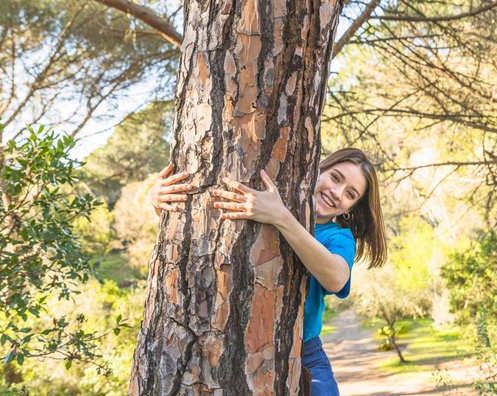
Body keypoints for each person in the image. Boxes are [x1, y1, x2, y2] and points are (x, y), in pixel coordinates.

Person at [148, 148, 387, 395]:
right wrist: (158, 203)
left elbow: (337, 279)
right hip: (219, 343)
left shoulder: (338, 236)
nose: (337, 193)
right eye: (335, 178)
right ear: (318, 168)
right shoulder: (270, 199)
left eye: (350, 194)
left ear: (351, 207)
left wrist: (281, 218)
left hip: (304, 351)